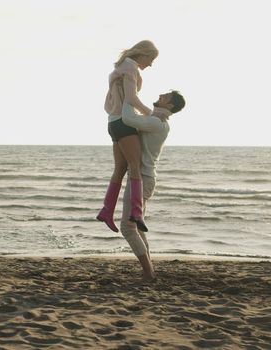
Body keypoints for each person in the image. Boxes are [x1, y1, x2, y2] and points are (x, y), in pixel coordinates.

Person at [120, 91, 186, 282]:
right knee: (137, 229)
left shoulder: (157, 123)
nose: (161, 94)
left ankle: (148, 273)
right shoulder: (156, 119)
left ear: (170, 105)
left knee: (127, 228)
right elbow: (144, 114)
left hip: (142, 179)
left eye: (165, 96)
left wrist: (127, 94)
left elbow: (127, 118)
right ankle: (149, 271)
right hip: (143, 179)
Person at [97, 40, 158, 234]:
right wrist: (151, 114)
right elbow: (131, 99)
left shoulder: (119, 68)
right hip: (124, 123)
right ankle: (137, 212)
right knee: (135, 166)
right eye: (151, 59)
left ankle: (107, 211)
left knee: (120, 168)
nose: (151, 64)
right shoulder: (131, 68)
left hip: (112, 123)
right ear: (143, 55)